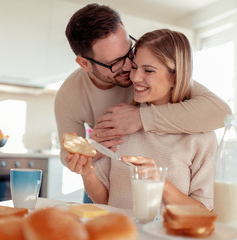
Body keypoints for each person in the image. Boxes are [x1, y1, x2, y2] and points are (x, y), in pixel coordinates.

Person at [54, 4, 230, 202]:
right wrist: (88, 153)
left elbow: (220, 112)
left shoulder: (155, 74)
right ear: (85, 64)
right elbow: (69, 156)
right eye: (116, 62)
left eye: (130, 50)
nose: (131, 68)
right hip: (105, 171)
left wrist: (140, 118)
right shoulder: (69, 95)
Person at [73, 29, 218, 210]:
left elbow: (204, 214)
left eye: (148, 70)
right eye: (134, 67)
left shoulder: (201, 136)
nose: (134, 77)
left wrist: (159, 182)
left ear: (175, 77)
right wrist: (87, 172)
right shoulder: (117, 121)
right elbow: (106, 201)